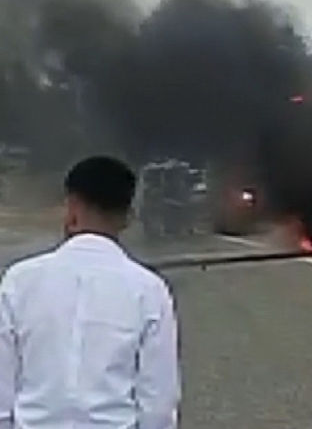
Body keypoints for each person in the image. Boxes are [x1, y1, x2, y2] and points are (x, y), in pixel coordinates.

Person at [0, 156, 180, 429]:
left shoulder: (19, 281)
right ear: (128, 217)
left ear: (72, 207)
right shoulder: (149, 290)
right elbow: (158, 405)